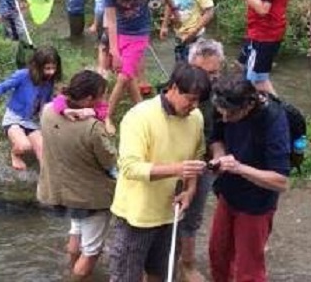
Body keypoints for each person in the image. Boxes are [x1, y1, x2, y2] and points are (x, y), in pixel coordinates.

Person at [108, 63, 210, 282]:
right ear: (173, 87)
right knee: (125, 277)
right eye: (190, 99)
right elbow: (130, 167)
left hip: (170, 215)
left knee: (161, 274)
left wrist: (190, 190)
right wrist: (177, 169)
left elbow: (196, 157)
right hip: (136, 216)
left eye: (199, 100)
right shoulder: (139, 117)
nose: (194, 106)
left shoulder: (196, 118)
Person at [208, 73, 291, 282]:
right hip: (228, 194)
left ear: (247, 106)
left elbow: (281, 181)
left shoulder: (272, 119)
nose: (225, 119)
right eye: (221, 113)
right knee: (218, 253)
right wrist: (219, 157)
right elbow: (216, 138)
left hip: (257, 204)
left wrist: (239, 168)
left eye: (231, 115)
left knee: (248, 268)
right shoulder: (224, 104)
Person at [37, 70, 116, 281]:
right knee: (91, 251)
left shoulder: (47, 112)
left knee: (76, 233)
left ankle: (71, 267)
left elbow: (57, 102)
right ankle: (76, 276)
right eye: (102, 95)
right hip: (90, 198)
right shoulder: (92, 128)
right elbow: (110, 161)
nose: (104, 99)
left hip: (61, 191)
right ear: (90, 99)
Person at [177, 39, 226, 282]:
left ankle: (186, 264)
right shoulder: (177, 90)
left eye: (215, 72)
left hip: (202, 163)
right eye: (205, 73)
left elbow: (220, 133)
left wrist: (218, 153)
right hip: (171, 162)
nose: (210, 80)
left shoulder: (221, 93)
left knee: (192, 215)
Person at [104, 0, 176, 119]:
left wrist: (174, 10)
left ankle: (107, 116)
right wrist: (114, 50)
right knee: (127, 74)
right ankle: (141, 108)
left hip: (139, 33)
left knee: (123, 77)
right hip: (119, 32)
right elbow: (110, 20)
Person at [0, 47, 62, 170]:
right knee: (24, 146)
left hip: (32, 121)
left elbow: (46, 102)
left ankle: (46, 184)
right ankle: (14, 154)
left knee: (44, 157)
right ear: (38, 66)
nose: (51, 72)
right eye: (47, 68)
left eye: (54, 68)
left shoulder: (49, 81)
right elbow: (2, 86)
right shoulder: (23, 75)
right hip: (14, 118)